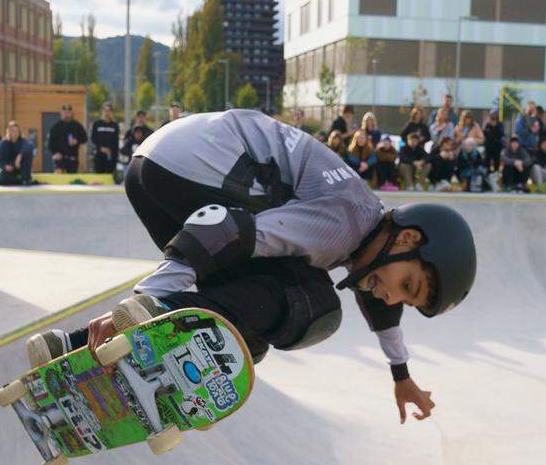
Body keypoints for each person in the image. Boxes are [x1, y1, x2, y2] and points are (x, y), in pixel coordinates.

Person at [24, 109, 477, 424]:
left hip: (159, 165)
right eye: (408, 284)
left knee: (239, 338)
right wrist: (152, 300)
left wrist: (401, 376)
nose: (391, 295)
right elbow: (228, 231)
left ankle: (73, 344)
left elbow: (381, 311)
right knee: (312, 304)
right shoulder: (342, 224)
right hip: (194, 168)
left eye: (406, 299)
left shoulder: (366, 228)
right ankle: (154, 319)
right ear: (406, 239)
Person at [0, 121, 37, 185]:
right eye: (13, 131)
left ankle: (24, 178)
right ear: (9, 132)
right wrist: (5, 166)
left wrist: (20, 156)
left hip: (21, 169)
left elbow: (31, 146)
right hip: (9, 169)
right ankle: (20, 181)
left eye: (17, 131)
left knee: (28, 153)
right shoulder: (3, 143)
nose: (15, 133)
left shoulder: (23, 141)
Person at [47, 103, 87, 173]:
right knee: (59, 180)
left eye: (68, 112)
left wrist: (77, 141)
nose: (66, 114)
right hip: (60, 158)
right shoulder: (56, 126)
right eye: (64, 112)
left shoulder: (77, 125)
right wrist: (55, 153)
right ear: (61, 113)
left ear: (71, 113)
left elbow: (85, 139)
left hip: (73, 159)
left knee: (71, 181)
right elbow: (50, 144)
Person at [91, 102, 120, 174]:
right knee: (99, 178)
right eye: (105, 110)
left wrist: (112, 152)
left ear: (111, 112)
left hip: (110, 156)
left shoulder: (115, 125)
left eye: (109, 110)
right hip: (99, 155)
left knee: (109, 177)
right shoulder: (97, 124)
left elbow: (116, 141)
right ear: (102, 111)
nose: (107, 112)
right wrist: (101, 148)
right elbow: (93, 138)